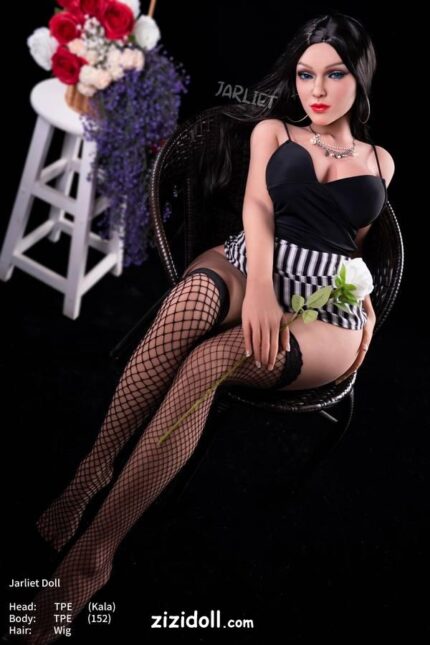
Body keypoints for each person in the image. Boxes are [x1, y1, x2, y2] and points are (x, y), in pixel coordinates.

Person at [24, 12, 395, 643]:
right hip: (256, 262)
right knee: (189, 303)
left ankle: (93, 558)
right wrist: (261, 291)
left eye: (334, 74)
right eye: (306, 74)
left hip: (325, 308)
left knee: (209, 361)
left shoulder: (381, 161)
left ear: (359, 77)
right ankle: (92, 471)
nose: (317, 89)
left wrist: (361, 307)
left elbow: (352, 246)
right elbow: (257, 205)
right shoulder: (275, 131)